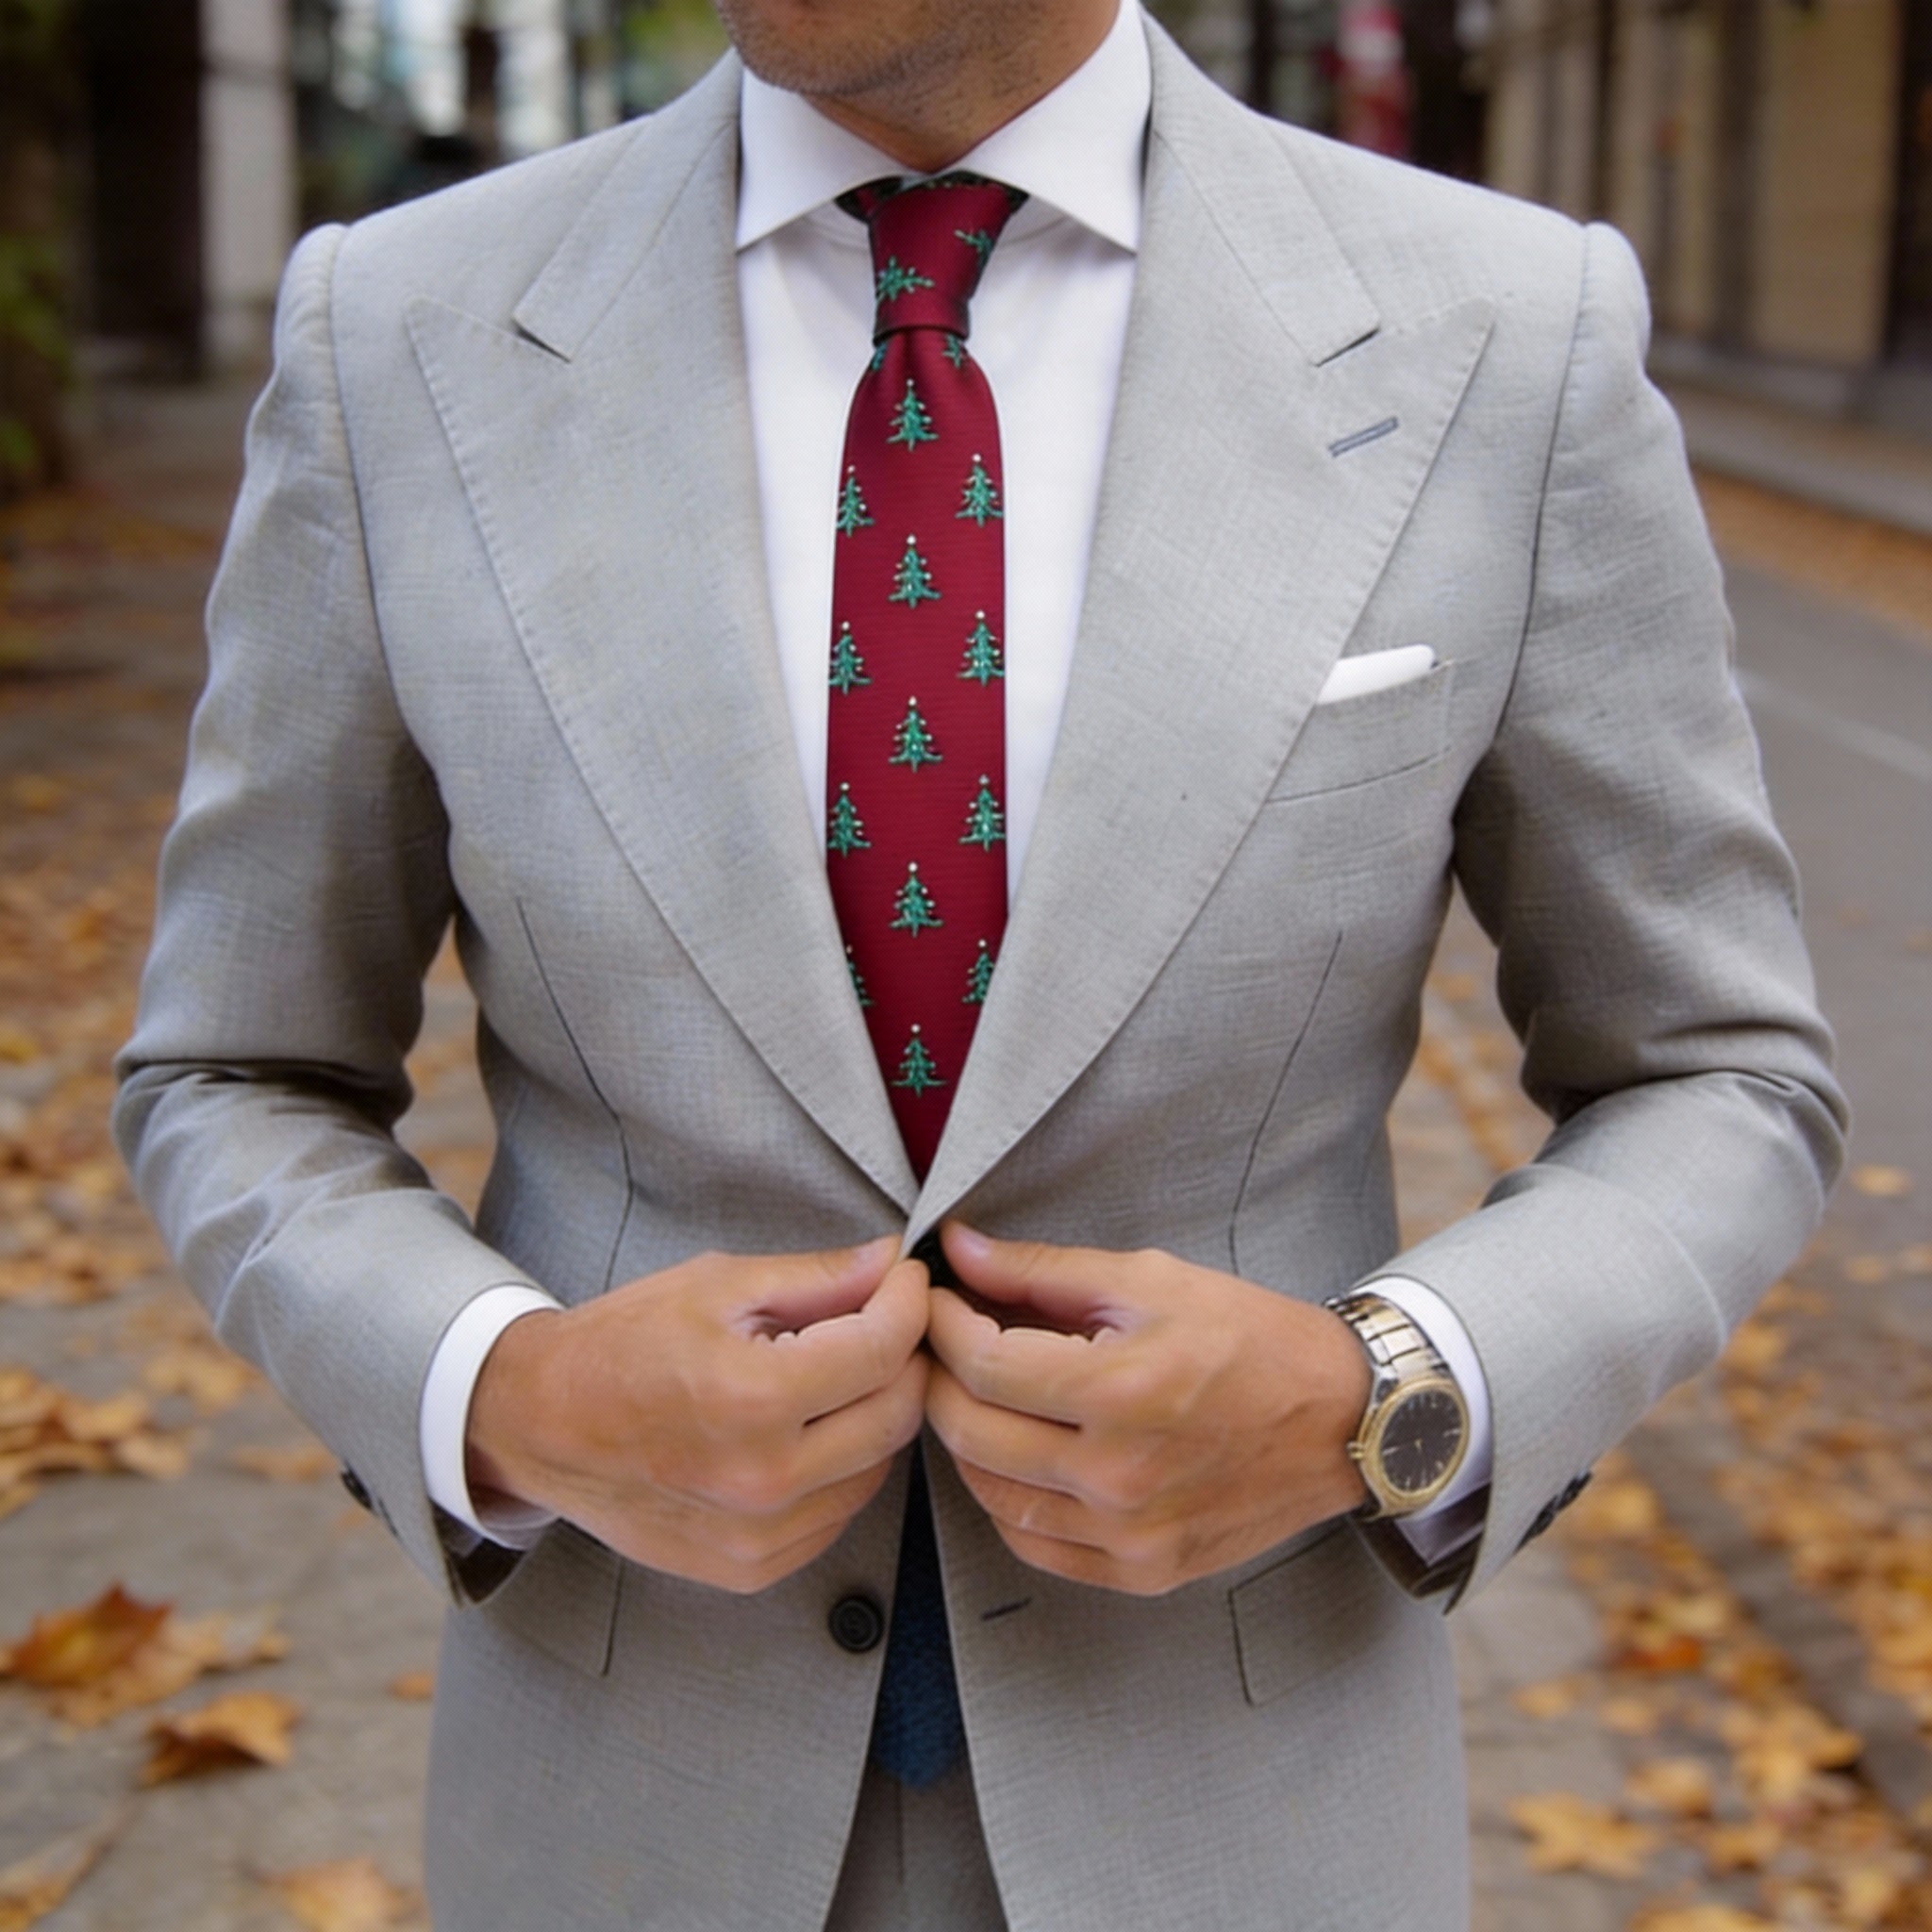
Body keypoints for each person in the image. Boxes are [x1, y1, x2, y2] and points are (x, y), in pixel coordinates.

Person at [114, 0, 1845, 1925]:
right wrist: (499, 1394)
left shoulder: (1505, 336)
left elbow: (1716, 1070)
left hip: (1241, 1803)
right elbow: (235, 1064)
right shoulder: (399, 332)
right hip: (626, 1811)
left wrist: (1386, 1396)